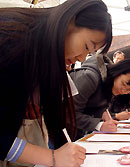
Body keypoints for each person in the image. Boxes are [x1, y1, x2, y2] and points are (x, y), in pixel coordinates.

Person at [0, 0, 112, 166]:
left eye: (89, 52)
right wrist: (52, 157)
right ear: (70, 21)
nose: (82, 58)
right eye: (87, 46)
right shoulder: (13, 41)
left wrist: (62, 154)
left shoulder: (45, 57)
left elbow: (54, 122)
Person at [70, 54, 130, 138]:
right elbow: (69, 114)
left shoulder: (109, 85)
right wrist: (99, 125)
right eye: (124, 84)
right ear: (118, 72)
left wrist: (105, 116)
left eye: (129, 90)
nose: (123, 91)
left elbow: (94, 105)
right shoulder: (89, 78)